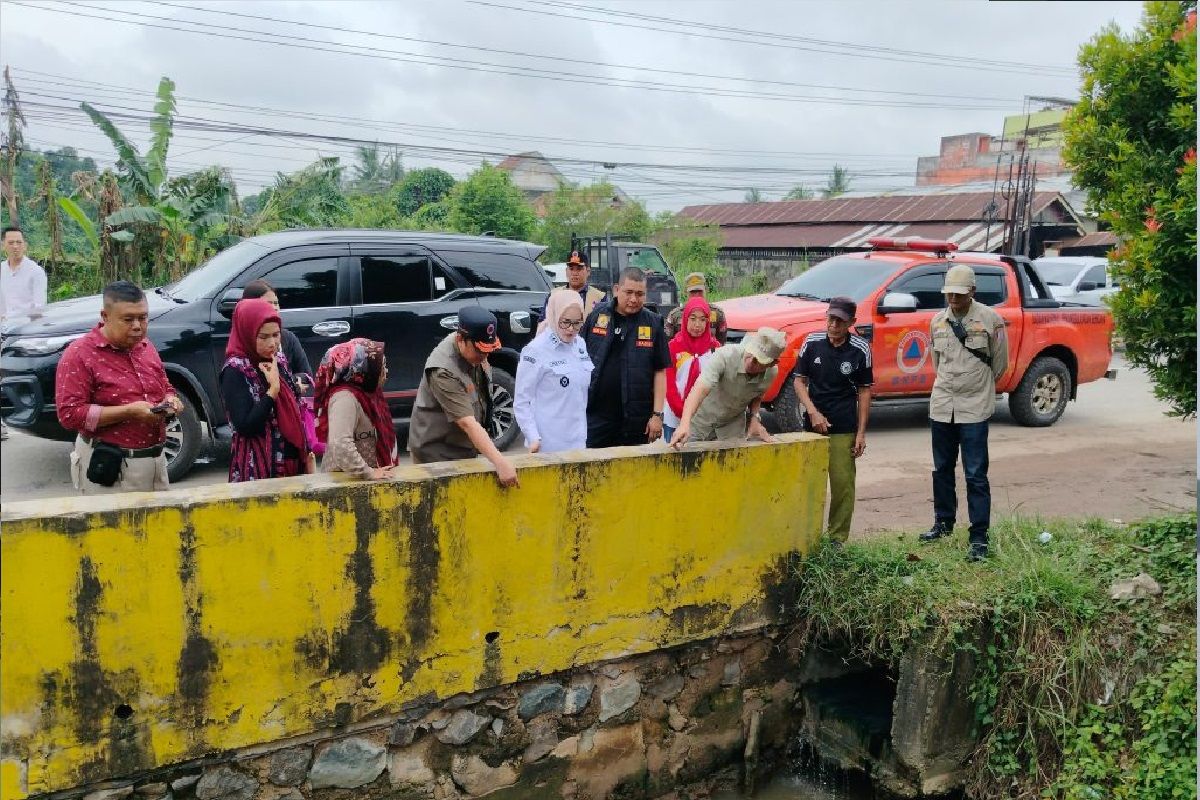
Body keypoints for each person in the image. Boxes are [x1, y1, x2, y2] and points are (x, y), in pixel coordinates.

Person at [919, 264, 1009, 562]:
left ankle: (979, 536)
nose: (953, 300)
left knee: (975, 474)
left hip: (974, 407)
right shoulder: (937, 322)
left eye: (959, 294)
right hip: (943, 404)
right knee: (941, 469)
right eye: (949, 294)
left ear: (972, 291)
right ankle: (943, 523)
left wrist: (977, 387)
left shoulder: (991, 320)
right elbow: (937, 361)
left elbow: (1000, 363)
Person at [55, 281, 181, 493]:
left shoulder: (145, 345)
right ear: (105, 317)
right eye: (128, 319)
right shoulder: (79, 354)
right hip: (111, 467)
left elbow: (165, 385)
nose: (137, 326)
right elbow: (69, 414)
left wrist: (170, 400)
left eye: (143, 317)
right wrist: (129, 412)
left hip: (156, 464)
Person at [407, 306, 520, 487]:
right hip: (437, 455)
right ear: (460, 339)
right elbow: (467, 423)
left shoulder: (473, 350)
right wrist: (500, 462)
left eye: (488, 350)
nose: (484, 356)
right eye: (479, 351)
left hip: (462, 446)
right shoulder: (443, 370)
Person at [791, 297, 873, 545]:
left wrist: (861, 433)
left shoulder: (860, 349)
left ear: (852, 322)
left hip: (844, 426)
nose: (833, 325)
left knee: (842, 486)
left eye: (840, 321)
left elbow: (864, 391)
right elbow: (799, 382)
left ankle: (836, 539)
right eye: (831, 318)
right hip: (812, 426)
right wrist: (812, 412)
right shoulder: (812, 343)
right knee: (809, 485)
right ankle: (807, 536)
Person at [220, 298, 314, 483]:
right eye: (263, 337)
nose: (272, 343)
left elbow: (292, 407)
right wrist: (272, 391)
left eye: (276, 335)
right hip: (259, 465)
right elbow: (246, 426)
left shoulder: (276, 359)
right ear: (247, 333)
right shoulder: (235, 370)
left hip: (291, 460)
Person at [581, 267, 671, 448]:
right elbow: (578, 359)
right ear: (616, 289)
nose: (633, 299)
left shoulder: (653, 323)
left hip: (636, 419)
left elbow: (660, 371)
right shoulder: (597, 316)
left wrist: (657, 415)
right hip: (596, 417)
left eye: (640, 294)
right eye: (628, 292)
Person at [669, 327, 783, 448]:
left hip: (731, 428)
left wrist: (755, 418)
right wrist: (684, 423)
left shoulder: (771, 373)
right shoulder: (725, 355)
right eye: (751, 354)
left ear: (772, 363)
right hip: (700, 421)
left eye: (758, 361)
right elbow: (700, 388)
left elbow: (757, 395)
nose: (750, 361)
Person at [514, 289, 593, 454]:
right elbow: (522, 402)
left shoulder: (580, 344)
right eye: (565, 322)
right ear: (554, 316)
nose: (571, 329)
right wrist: (532, 437)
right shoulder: (535, 350)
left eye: (577, 323)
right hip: (547, 445)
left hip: (578, 442)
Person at [313, 338, 398, 480]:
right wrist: (368, 472)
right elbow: (340, 444)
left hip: (361, 484)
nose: (386, 371)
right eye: (380, 366)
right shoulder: (344, 398)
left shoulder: (369, 393)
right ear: (363, 368)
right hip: (344, 485)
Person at [2, 226, 47, 441]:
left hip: (23, 333)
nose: (15, 246)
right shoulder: (1, 270)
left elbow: (39, 308)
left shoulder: (35, 272)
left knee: (13, 378)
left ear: (25, 244)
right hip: (3, 329)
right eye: (11, 242)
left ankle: (19, 416)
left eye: (19, 242)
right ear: (4, 245)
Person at [664, 295, 721, 442]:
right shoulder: (673, 347)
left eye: (703, 320)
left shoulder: (715, 349)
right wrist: (683, 413)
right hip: (675, 417)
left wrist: (697, 414)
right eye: (693, 318)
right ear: (685, 319)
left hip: (704, 418)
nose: (698, 325)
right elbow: (669, 385)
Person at [239, 279, 313, 387]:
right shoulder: (241, 350)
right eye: (268, 304)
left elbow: (307, 375)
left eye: (276, 303)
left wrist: (288, 384)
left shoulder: (287, 338)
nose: (274, 308)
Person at [663, 271, 727, 344]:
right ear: (685, 293)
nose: (697, 295)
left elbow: (721, 343)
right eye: (693, 292)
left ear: (706, 290)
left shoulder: (717, 313)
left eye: (700, 291)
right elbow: (667, 344)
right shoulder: (675, 315)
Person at [542, 250, 605, 324]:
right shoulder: (554, 295)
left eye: (579, 269)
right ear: (566, 271)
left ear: (588, 271)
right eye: (571, 269)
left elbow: (602, 327)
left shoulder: (600, 298)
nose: (574, 273)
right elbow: (543, 323)